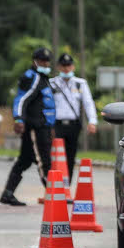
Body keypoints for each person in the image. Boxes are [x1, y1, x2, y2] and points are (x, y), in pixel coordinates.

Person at [0, 47, 56, 206]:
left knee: (24, 160)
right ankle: (54, 194)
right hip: (35, 128)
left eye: (47, 61)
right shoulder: (33, 77)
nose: (45, 63)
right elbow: (21, 99)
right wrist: (18, 119)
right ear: (35, 61)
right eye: (42, 61)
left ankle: (8, 193)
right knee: (44, 161)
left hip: (43, 126)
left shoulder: (44, 78)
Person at [50, 53, 98, 184]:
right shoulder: (52, 84)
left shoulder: (80, 84)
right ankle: (54, 184)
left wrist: (92, 121)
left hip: (73, 124)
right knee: (56, 156)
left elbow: (88, 103)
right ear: (59, 67)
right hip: (57, 125)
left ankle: (66, 185)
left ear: (73, 67)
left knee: (70, 157)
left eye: (69, 66)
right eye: (64, 66)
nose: (66, 69)